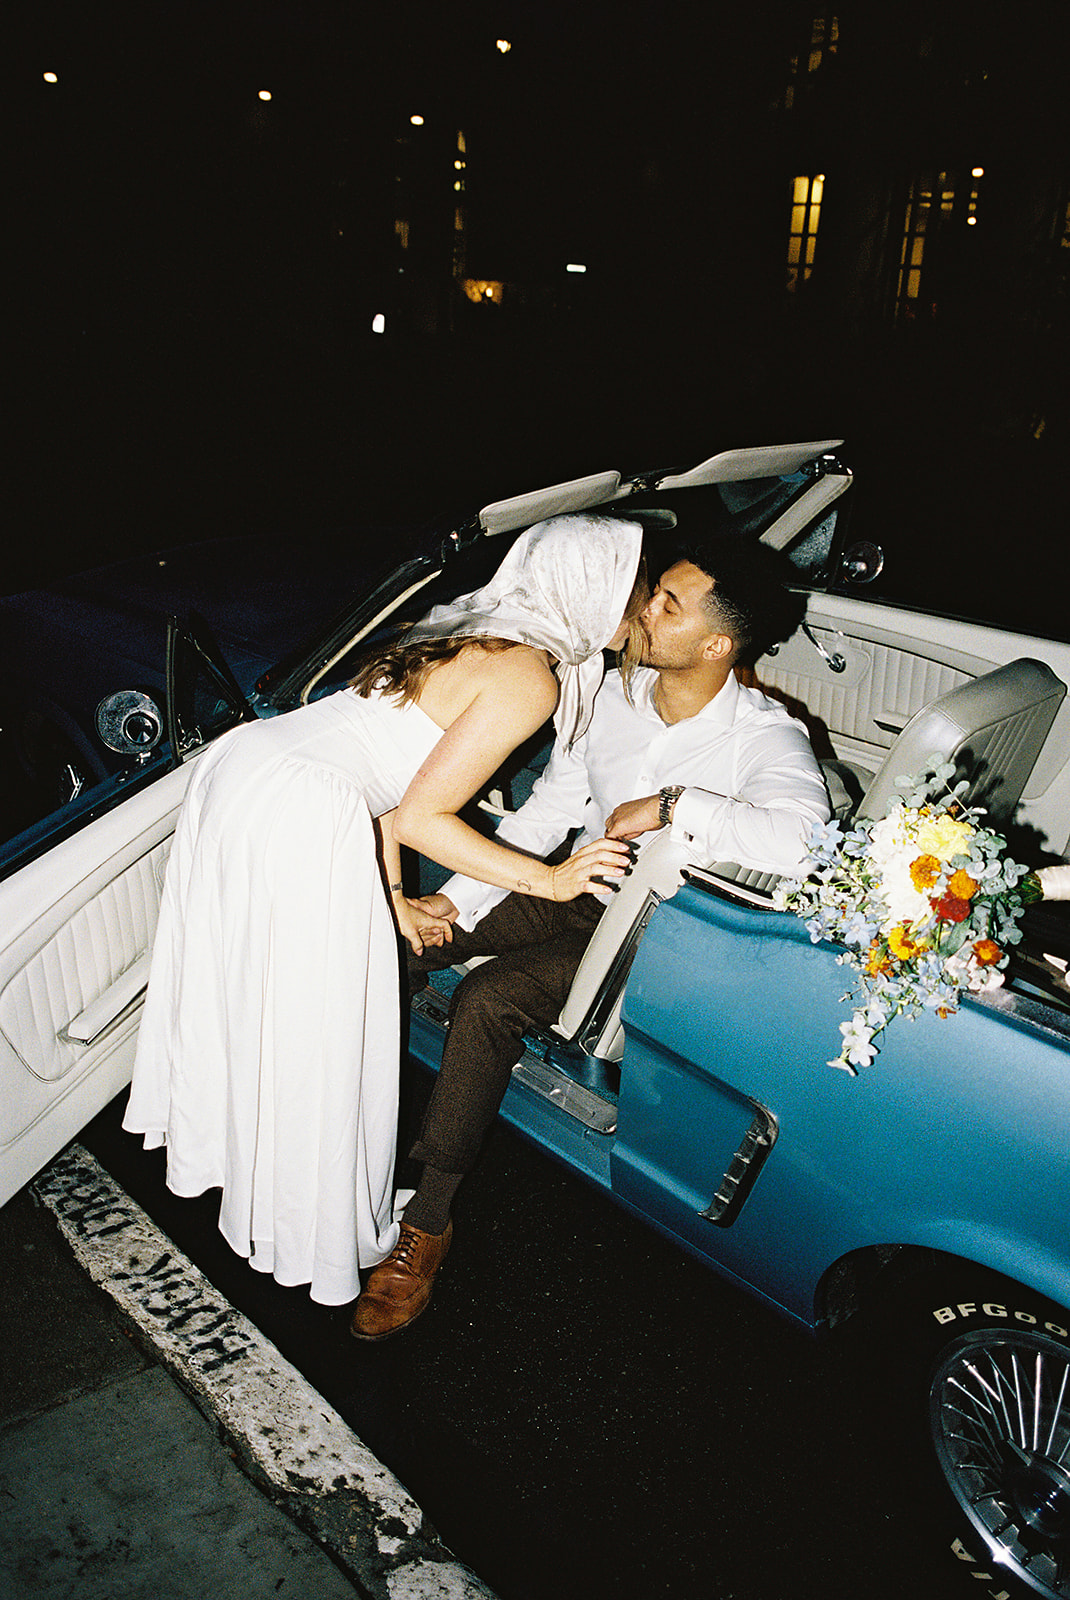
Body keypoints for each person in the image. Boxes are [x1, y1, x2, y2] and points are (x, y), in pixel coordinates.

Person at [122, 514, 646, 1306]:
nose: (639, 600)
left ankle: (255, 1174)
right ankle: (308, 1223)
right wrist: (551, 880)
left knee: (270, 1006)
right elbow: (419, 816)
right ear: (590, 588)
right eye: (632, 583)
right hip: (303, 811)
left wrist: (396, 896)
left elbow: (385, 783)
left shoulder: (467, 626)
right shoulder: (529, 675)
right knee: (328, 1026)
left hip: (254, 775)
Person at [349, 537, 830, 1340]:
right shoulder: (610, 696)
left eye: (667, 605)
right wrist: (456, 913)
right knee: (397, 946)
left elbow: (806, 844)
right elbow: (545, 820)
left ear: (716, 645)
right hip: (583, 888)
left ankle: (425, 1223)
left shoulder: (765, 738)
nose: (642, 608)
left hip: (656, 938)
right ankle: (341, 1123)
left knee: (488, 998)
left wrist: (677, 805)